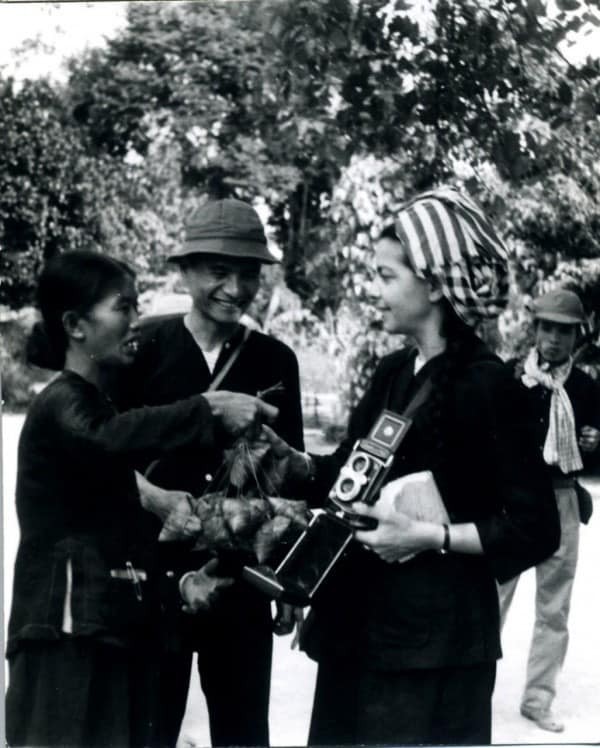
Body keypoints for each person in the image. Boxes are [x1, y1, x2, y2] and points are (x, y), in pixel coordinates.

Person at [263, 186, 560, 746]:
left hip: (434, 651)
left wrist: (427, 535)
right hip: (359, 629)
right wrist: (293, 464)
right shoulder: (394, 371)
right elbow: (350, 474)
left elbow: (535, 527)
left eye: (386, 276)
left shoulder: (488, 385)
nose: (375, 292)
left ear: (433, 283)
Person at [5, 251, 276, 747]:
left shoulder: (92, 402)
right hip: (64, 633)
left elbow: (119, 531)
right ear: (75, 325)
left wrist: (180, 587)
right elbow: (110, 437)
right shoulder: (63, 405)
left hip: (100, 629)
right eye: (123, 307)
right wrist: (207, 410)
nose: (137, 320)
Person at [113, 197, 304, 747]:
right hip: (148, 577)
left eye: (249, 274)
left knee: (243, 729)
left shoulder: (276, 360)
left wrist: (291, 576)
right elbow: (97, 457)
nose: (236, 288)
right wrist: (150, 498)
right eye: (219, 271)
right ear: (185, 270)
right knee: (145, 725)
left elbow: (289, 479)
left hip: (240, 580)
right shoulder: (139, 347)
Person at [498, 288, 600, 733]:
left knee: (554, 608)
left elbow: (592, 457)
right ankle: (467, 686)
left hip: (560, 499)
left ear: (578, 336)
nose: (554, 339)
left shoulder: (585, 386)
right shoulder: (510, 376)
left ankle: (538, 698)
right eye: (547, 328)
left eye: (564, 331)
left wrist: (594, 444)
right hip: (514, 502)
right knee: (492, 595)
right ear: (534, 329)